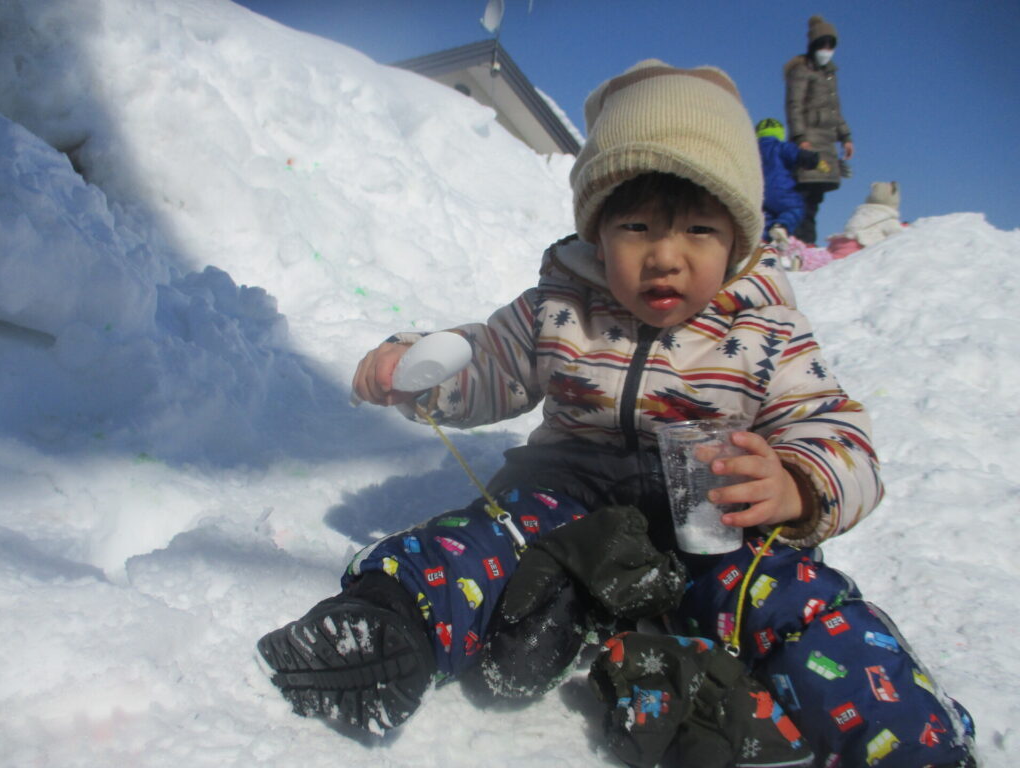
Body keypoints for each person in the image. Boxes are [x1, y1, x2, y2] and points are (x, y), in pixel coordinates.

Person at [257, 61, 975, 766]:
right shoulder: (558, 308)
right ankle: (383, 634)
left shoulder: (767, 334)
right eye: (636, 226)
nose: (665, 257)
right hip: (565, 502)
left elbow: (835, 428)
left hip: (710, 522)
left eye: (698, 229)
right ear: (599, 232)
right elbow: (492, 367)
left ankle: (906, 740)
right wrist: (421, 372)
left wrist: (796, 480)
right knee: (476, 543)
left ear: (737, 240)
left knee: (802, 602)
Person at [784, 15, 853, 245]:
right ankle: (799, 242)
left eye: (830, 45)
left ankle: (807, 243)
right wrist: (800, 137)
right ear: (813, 45)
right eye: (821, 44)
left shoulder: (830, 74)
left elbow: (835, 110)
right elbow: (794, 104)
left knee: (815, 196)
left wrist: (846, 137)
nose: (826, 49)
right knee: (803, 193)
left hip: (826, 143)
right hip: (810, 140)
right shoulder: (802, 70)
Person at [755, 116, 822, 249]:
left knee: (766, 217)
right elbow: (798, 155)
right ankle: (782, 226)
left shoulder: (754, 149)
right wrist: (814, 160)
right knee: (794, 208)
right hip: (781, 190)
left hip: (759, 192)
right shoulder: (781, 146)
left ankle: (763, 243)